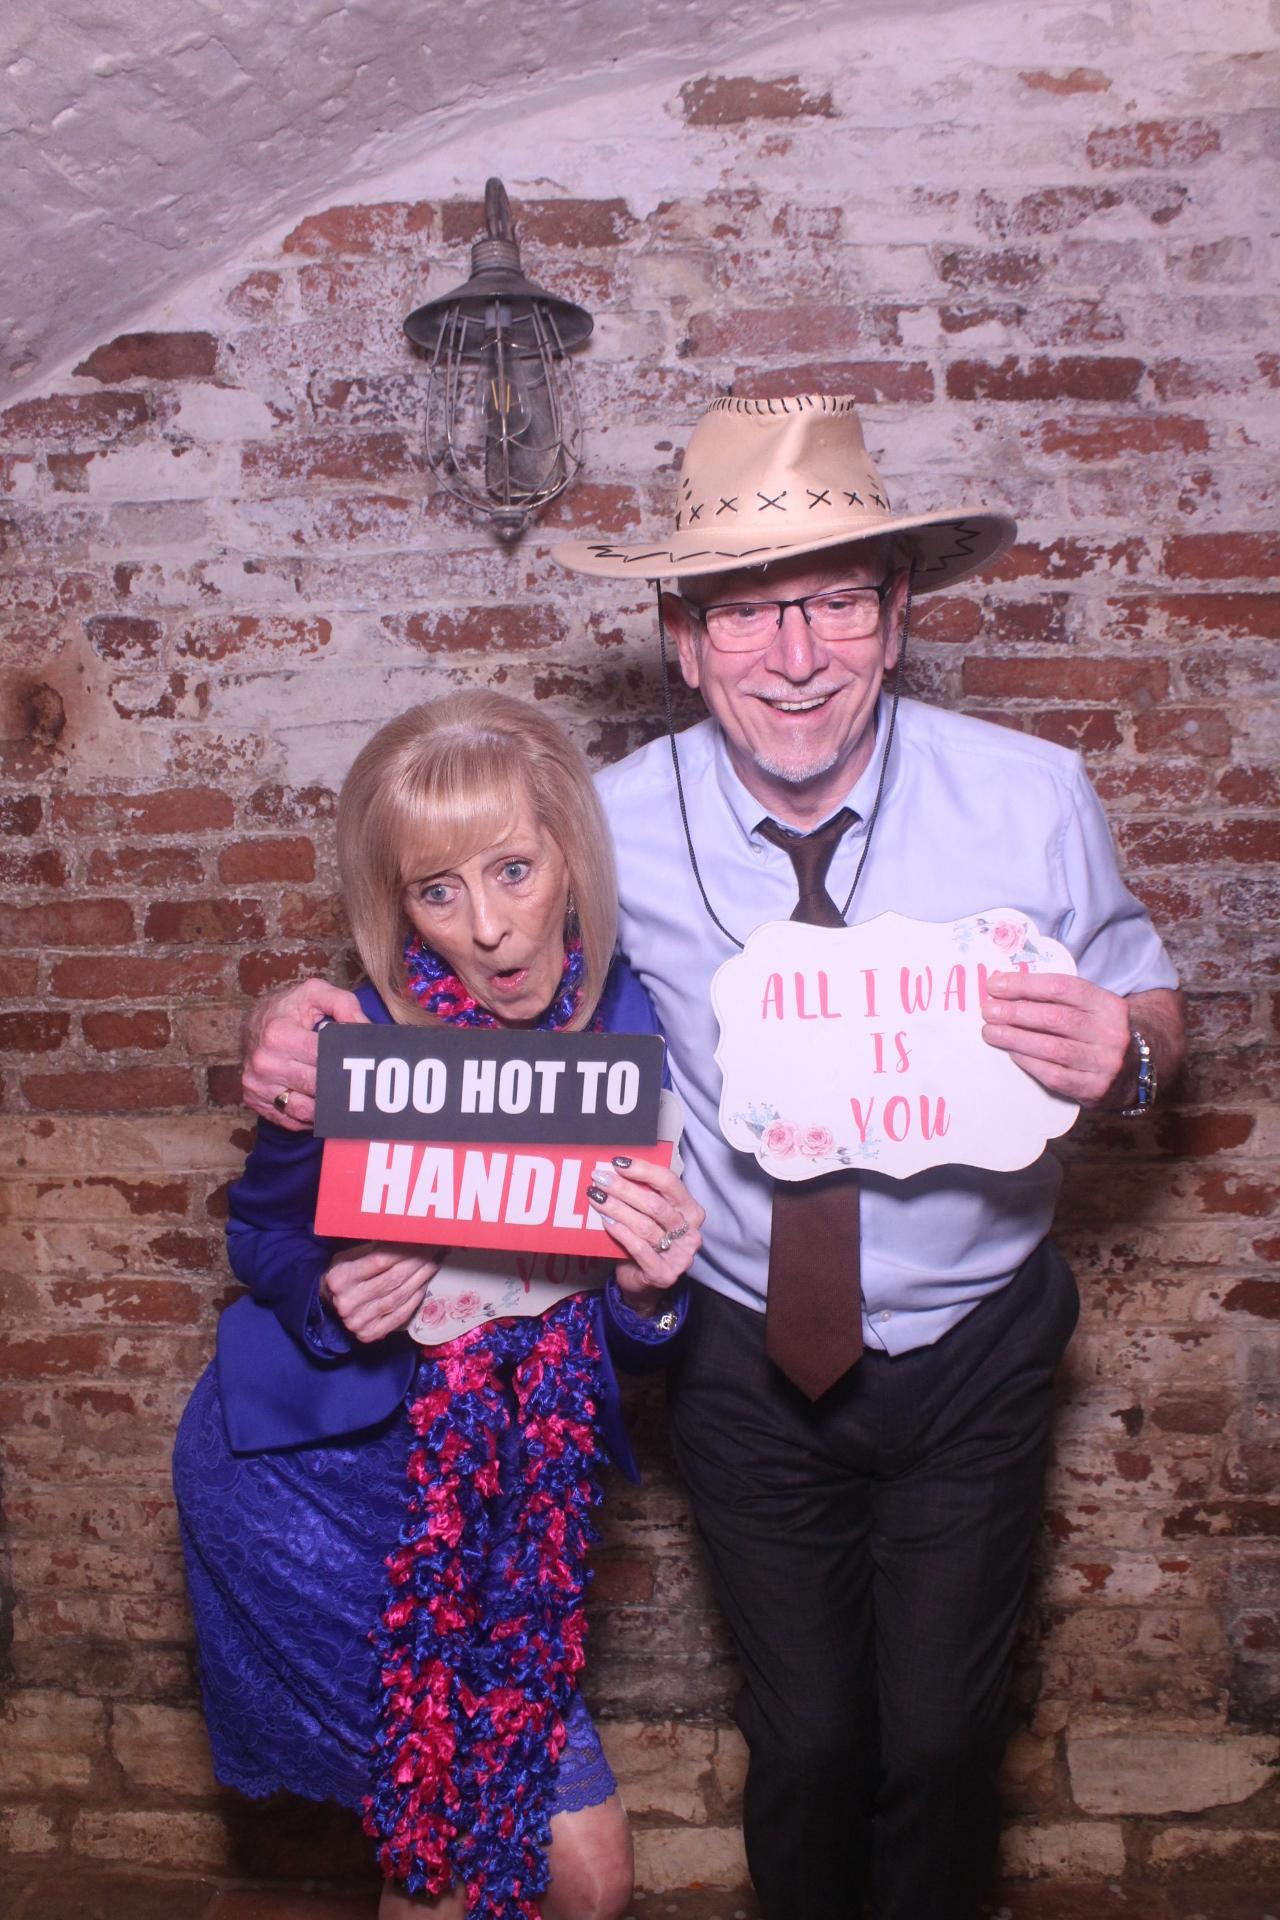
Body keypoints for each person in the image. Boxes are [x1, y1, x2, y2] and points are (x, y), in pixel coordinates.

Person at [240, 395, 1185, 1920]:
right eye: (748, 612)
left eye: (832, 602)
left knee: (945, 1747)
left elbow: (1151, 997)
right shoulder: (600, 835)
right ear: (683, 639)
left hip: (980, 1342)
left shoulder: (1030, 797)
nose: (795, 654)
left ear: (893, 617)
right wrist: (297, 1029)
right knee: (804, 1746)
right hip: (746, 1355)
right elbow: (452, 988)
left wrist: (1131, 1048)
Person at [176, 690, 705, 1920]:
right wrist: (328, 1292)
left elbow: (621, 1320)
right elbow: (260, 1239)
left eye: (513, 870)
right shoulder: (351, 1040)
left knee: (551, 1870)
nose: (490, 930)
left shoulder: (628, 1020)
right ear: (395, 906)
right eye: (437, 891)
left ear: (569, 851)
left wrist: (647, 1294)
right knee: (465, 1845)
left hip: (504, 1514)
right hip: (315, 1486)